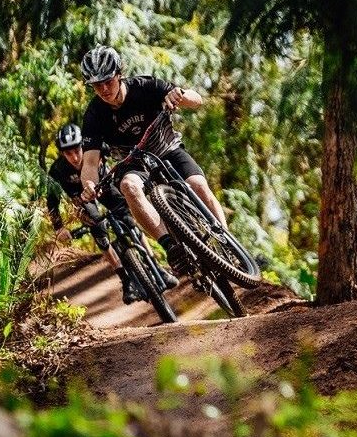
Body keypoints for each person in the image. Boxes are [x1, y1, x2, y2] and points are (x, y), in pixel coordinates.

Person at [77, 45, 226, 275]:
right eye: (97, 85)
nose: (104, 89)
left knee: (197, 185)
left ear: (119, 74)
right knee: (128, 186)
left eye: (108, 80)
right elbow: (89, 163)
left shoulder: (145, 86)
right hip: (133, 164)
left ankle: (226, 241)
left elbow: (198, 101)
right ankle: (170, 247)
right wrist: (88, 185)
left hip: (167, 148)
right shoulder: (94, 114)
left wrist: (180, 95)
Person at [46, 123, 178, 304]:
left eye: (77, 150)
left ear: (83, 146)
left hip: (106, 188)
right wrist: (59, 228)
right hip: (83, 201)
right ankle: (125, 279)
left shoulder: (95, 149)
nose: (75, 157)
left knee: (129, 220)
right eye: (68, 153)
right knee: (98, 229)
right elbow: (52, 201)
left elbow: (119, 154)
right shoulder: (57, 170)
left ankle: (157, 267)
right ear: (62, 154)